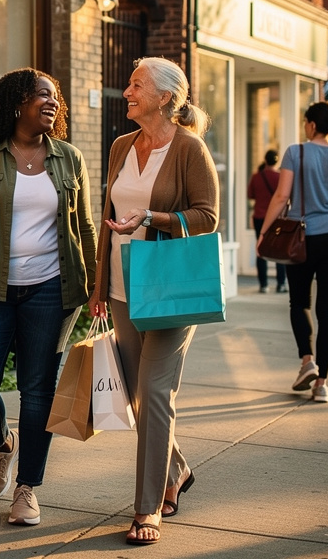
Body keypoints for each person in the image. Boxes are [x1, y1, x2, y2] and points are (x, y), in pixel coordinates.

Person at [0, 68, 98, 526]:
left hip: (52, 290)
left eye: (55, 98)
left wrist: (96, 283)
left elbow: (84, 227)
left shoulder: (69, 158)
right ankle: (1, 443)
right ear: (16, 103)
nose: (52, 103)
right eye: (41, 96)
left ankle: (28, 487)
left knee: (37, 391)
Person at [90, 57, 219, 546]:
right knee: (140, 396)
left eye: (136, 84)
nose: (127, 91)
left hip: (167, 289)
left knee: (156, 393)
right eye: (129, 84)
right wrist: (100, 285)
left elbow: (206, 217)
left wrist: (154, 217)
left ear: (165, 97)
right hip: (123, 289)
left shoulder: (189, 149)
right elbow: (108, 213)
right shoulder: (122, 145)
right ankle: (178, 468)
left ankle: (147, 509)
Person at [259, 101, 328, 405]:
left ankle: (307, 362)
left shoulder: (296, 152)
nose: (304, 126)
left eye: (306, 122)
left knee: (299, 302)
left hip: (303, 239)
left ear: (312, 125)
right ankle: (322, 385)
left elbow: (281, 196)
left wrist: (265, 233)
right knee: (327, 311)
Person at [248, 149, 287, 294]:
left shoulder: (257, 177)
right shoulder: (280, 177)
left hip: (259, 217)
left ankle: (263, 285)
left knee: (261, 250)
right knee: (279, 251)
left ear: (265, 160)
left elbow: (250, 194)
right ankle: (281, 284)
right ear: (277, 161)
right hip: (276, 218)